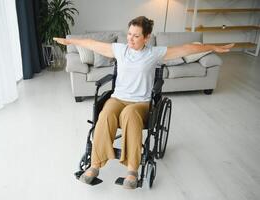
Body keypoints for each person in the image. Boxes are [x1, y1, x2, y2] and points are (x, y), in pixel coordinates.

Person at [54, 16, 233, 189]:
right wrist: (71, 42)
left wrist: (214, 47)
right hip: (117, 98)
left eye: (136, 35)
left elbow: (186, 49)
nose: (130, 39)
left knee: (130, 114)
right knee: (106, 113)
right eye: (129, 34)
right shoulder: (120, 49)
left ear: (146, 37)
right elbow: (93, 44)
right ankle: (95, 165)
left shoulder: (155, 53)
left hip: (140, 103)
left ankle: (132, 171)